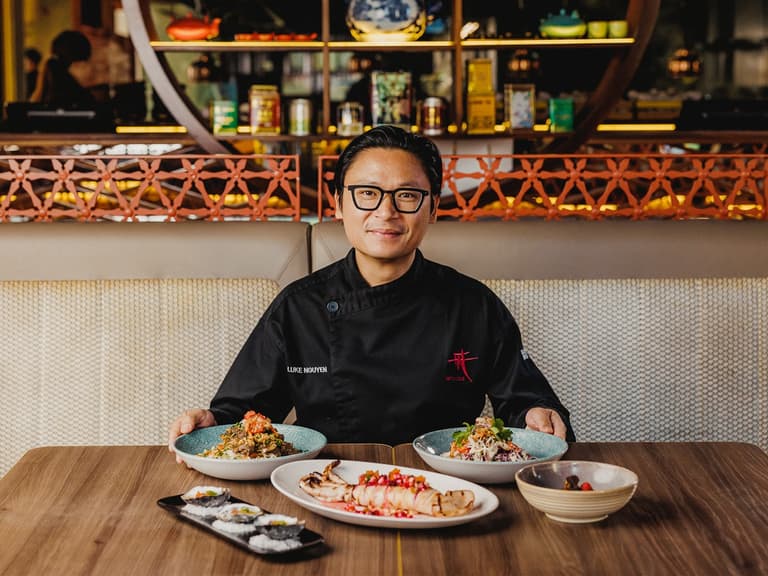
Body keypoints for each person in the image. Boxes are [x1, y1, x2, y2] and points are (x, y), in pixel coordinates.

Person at [168, 125, 574, 455]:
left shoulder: (472, 304)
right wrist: (211, 423)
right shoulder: (299, 307)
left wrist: (539, 415)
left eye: (407, 195)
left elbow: (523, 403)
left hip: (450, 485)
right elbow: (244, 416)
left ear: (432, 207)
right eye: (367, 193)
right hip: (323, 484)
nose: (386, 211)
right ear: (339, 203)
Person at [30, 30, 94, 107]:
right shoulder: (84, 101)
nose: (91, 70)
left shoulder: (41, 98)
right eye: (88, 63)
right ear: (76, 65)